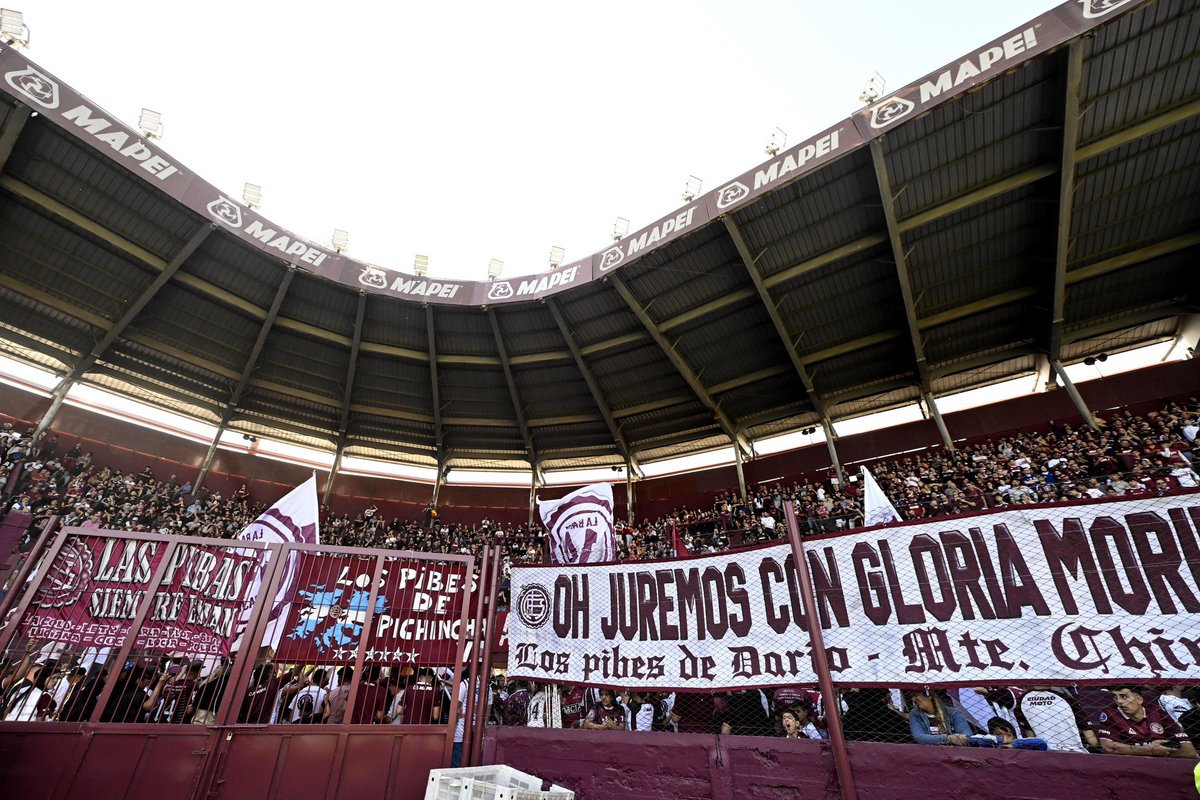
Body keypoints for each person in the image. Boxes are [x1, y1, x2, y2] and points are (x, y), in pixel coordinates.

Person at [1094, 685, 1196, 758]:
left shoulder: (1156, 712)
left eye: (1124, 696)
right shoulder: (1110, 713)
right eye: (1114, 697)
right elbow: (1109, 748)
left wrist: (1159, 753)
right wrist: (1149, 750)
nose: (1118, 701)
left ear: (1139, 699)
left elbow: (1189, 751)